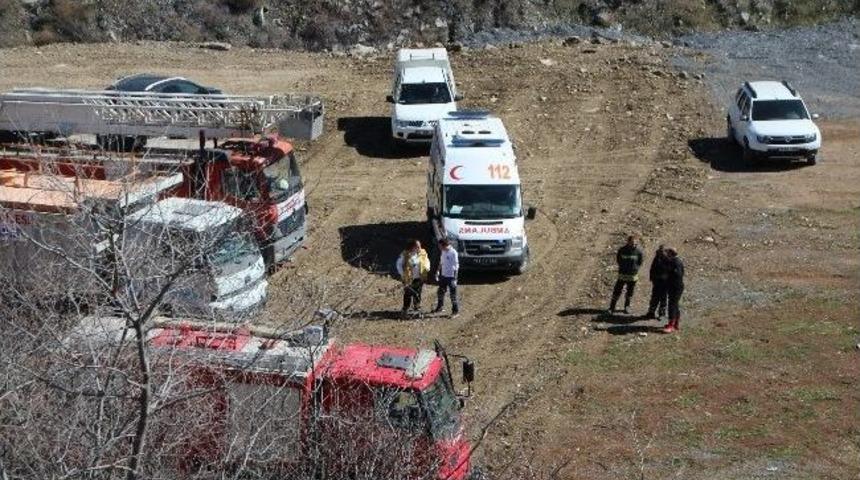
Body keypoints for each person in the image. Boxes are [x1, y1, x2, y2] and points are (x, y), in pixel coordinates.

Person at [609, 235, 644, 314]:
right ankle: (612, 307)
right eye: (632, 243)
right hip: (622, 274)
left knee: (630, 292)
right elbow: (618, 260)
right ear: (628, 242)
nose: (634, 245)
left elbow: (640, 262)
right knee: (617, 290)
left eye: (635, 243)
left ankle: (627, 306)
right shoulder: (622, 250)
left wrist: (635, 269)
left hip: (632, 276)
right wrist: (623, 267)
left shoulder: (639, 251)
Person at [395, 239, 430, 318]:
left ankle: (417, 306)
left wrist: (427, 268)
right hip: (409, 278)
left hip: (419, 277)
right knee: (408, 293)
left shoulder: (422, 253)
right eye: (417, 246)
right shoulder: (405, 254)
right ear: (412, 247)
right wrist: (402, 273)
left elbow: (427, 261)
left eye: (419, 246)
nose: (419, 248)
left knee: (418, 292)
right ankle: (405, 309)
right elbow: (398, 264)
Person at [433, 238, 460, 317]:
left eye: (440, 245)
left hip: (451, 277)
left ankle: (455, 311)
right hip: (443, 275)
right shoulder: (443, 251)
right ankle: (440, 307)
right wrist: (438, 271)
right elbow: (441, 262)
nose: (439, 247)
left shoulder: (453, 252)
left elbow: (456, 266)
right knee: (440, 292)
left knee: (452, 295)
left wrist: (455, 278)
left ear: (443, 245)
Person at [663, 247, 685, 333]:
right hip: (676, 286)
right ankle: (676, 324)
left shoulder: (675, 262)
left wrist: (669, 275)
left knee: (672, 305)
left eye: (667, 253)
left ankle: (671, 325)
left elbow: (678, 274)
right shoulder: (677, 261)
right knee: (675, 304)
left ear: (670, 254)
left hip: (675, 286)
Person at [643, 245, 669, 319]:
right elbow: (652, 268)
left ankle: (661, 313)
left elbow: (670, 270)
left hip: (665, 282)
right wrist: (652, 277)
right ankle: (651, 312)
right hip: (657, 281)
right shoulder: (657, 258)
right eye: (660, 250)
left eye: (662, 251)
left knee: (663, 297)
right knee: (654, 297)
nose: (661, 252)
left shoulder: (668, 259)